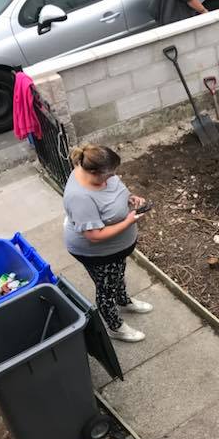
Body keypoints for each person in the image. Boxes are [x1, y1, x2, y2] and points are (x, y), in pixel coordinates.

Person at [63, 145, 152, 343]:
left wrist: (130, 199)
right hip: (98, 253)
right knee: (106, 290)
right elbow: (94, 235)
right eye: (110, 173)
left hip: (116, 250)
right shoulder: (79, 197)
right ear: (94, 172)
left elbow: (113, 193)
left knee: (117, 275)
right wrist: (128, 221)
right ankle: (115, 327)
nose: (113, 176)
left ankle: (123, 300)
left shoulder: (99, 174)